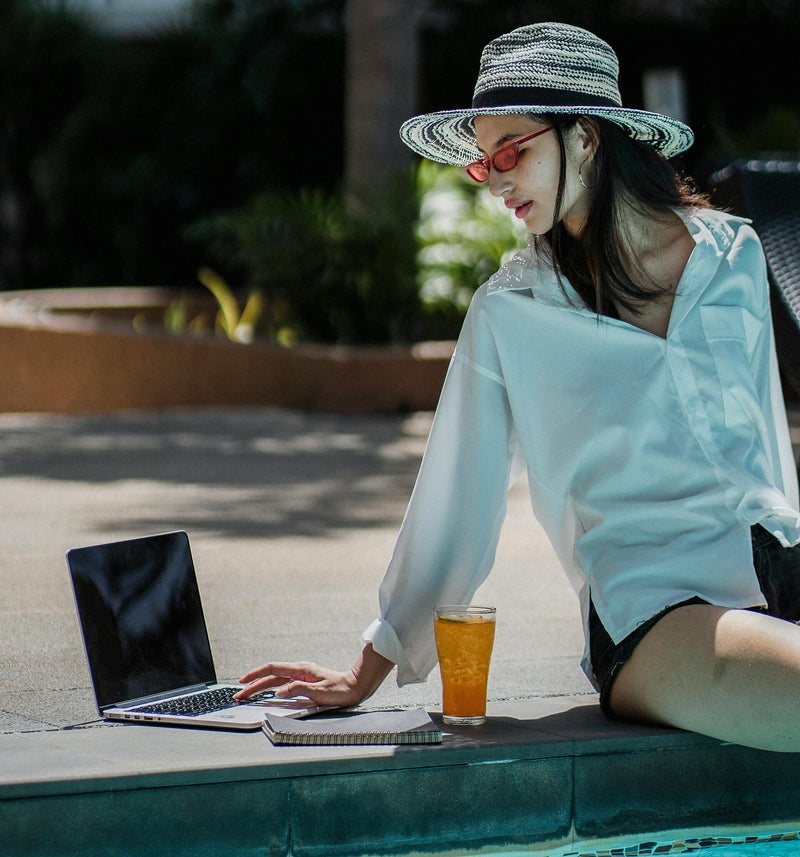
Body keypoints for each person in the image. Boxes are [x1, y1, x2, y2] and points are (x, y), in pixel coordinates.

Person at [236, 22, 800, 752]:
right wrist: (368, 668)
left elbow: (766, 454)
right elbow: (454, 505)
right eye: (482, 163)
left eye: (512, 151)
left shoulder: (734, 255)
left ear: (588, 138)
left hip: (778, 572)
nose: (497, 178)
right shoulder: (513, 313)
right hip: (657, 611)